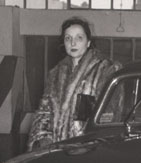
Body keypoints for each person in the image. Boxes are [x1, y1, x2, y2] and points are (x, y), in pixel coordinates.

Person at [27, 17, 121, 151]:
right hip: (57, 150)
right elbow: (44, 112)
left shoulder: (105, 70)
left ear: (88, 42)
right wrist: (43, 140)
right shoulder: (55, 75)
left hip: (88, 150)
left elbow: (109, 116)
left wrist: (91, 146)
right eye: (68, 38)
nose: (73, 43)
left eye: (79, 38)